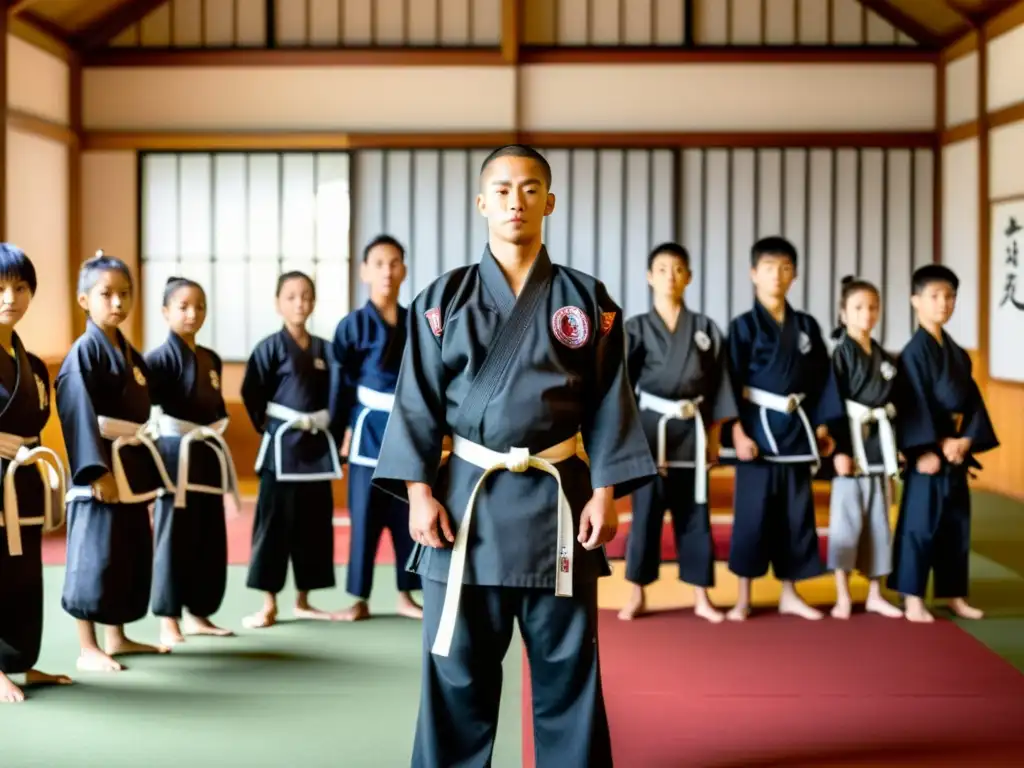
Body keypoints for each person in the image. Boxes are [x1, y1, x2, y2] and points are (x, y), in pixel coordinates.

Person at [372, 144, 656, 767]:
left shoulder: (588, 300)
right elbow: (414, 400)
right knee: (456, 678)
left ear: (549, 202)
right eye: (501, 189)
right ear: (481, 203)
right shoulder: (440, 301)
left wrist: (606, 492)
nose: (515, 201)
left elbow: (613, 401)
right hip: (466, 509)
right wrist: (418, 492)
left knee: (567, 675)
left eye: (530, 189)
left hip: (559, 509)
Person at [56, 250, 174, 671]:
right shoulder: (83, 353)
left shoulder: (130, 353)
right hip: (100, 466)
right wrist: (95, 472)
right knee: (93, 553)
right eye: (107, 294)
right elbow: (76, 414)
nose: (118, 303)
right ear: (84, 299)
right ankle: (87, 645)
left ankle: (117, 636)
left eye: (125, 294)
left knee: (125, 550)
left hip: (129, 462)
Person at [718, 236, 844, 621]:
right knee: (752, 517)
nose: (777, 275)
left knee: (797, 515)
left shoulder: (806, 326)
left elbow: (825, 380)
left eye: (785, 268)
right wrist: (736, 433)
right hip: (756, 432)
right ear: (754, 274)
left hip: (796, 431)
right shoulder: (742, 327)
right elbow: (728, 381)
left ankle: (790, 592)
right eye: (769, 268)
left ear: (795, 275)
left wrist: (822, 426)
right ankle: (743, 596)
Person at [619, 242, 737, 623]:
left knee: (695, 514)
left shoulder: (705, 329)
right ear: (649, 277)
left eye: (678, 269)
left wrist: (716, 438)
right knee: (646, 515)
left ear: (688, 277)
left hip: (693, 431)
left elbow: (720, 386)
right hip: (650, 434)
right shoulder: (635, 329)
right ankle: (637, 593)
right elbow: (621, 387)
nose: (670, 275)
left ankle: (701, 595)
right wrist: (627, 443)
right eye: (663, 269)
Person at [888, 264, 999, 623]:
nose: (943, 303)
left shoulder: (958, 354)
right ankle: (913, 597)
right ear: (915, 301)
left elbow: (972, 403)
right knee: (920, 524)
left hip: (954, 454)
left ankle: (953, 593)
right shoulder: (912, 354)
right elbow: (910, 406)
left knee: (955, 524)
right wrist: (930, 448)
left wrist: (966, 439)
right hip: (929, 455)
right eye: (934, 296)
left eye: (949, 296)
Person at [240, 271, 345, 629]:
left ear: (313, 302)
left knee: (314, 524)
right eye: (291, 296)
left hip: (314, 447)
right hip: (281, 446)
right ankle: (268, 603)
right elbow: (252, 393)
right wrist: (269, 427)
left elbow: (337, 396)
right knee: (272, 524)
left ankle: (304, 599)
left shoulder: (325, 349)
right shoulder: (269, 347)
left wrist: (331, 428)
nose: (299, 302)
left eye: (306, 296)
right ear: (278, 303)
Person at [332, 235, 422, 622]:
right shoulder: (352, 326)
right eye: (379, 263)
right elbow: (341, 384)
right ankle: (358, 598)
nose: (387, 271)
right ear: (365, 271)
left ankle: (406, 595)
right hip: (366, 428)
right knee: (364, 514)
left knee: (407, 514)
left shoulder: (415, 324)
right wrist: (342, 431)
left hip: (406, 431)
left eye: (395, 263)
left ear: (403, 269)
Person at [147, 277, 239, 646]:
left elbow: (216, 409)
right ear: (165, 311)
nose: (192, 313)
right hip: (173, 455)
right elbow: (145, 410)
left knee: (207, 534)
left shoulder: (211, 359)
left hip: (206, 452)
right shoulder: (158, 359)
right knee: (173, 537)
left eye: (199, 306)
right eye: (183, 306)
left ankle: (199, 613)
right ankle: (168, 618)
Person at [0, 244, 72, 702]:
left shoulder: (36, 366)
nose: (10, 297)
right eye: (1, 287)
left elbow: (37, 432)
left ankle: (20, 661)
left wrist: (50, 487)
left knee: (24, 574)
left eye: (20, 287)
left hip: (22, 480)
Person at [825, 276, 903, 620]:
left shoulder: (885, 358)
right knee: (846, 522)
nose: (867, 314)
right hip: (851, 447)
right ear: (843, 313)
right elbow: (832, 404)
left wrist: (896, 448)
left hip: (879, 447)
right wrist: (840, 449)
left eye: (873, 307)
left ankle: (874, 592)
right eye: (858, 307)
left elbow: (896, 405)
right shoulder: (840, 355)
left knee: (879, 524)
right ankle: (842, 594)